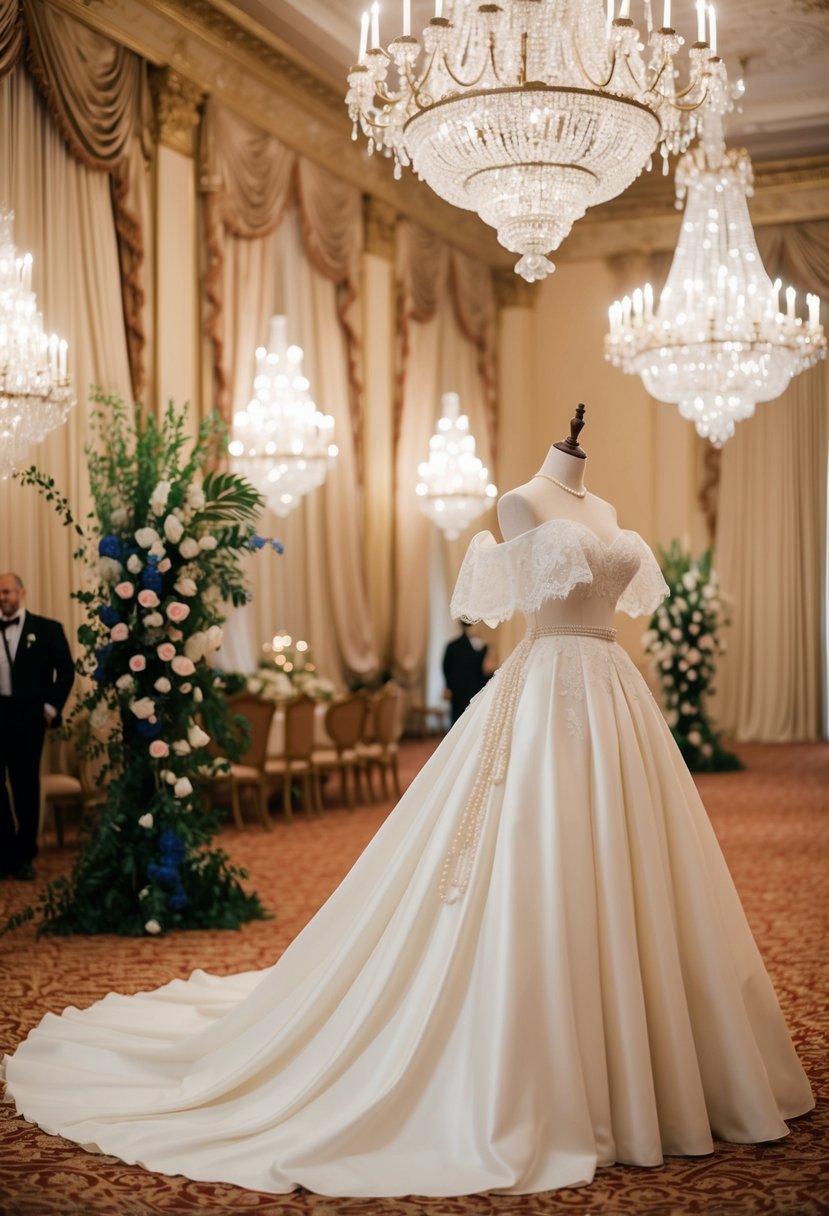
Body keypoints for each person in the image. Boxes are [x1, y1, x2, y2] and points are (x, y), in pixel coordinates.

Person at [1, 410, 813, 1197]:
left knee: (630, 859)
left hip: (614, 697)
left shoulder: (598, 507)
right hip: (546, 695)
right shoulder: (520, 501)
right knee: (537, 853)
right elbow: (507, 604)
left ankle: (654, 1059)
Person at [0, 572, 75, 881]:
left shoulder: (46, 629)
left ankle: (24, 855)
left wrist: (50, 707)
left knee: (25, 786)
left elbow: (66, 671)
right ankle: (6, 850)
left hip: (28, 717)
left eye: (6, 592)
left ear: (22, 593)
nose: (2, 597)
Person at [442, 620, 492, 725]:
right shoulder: (453, 646)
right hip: (459, 690)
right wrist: (448, 687)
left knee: (471, 719)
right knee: (458, 719)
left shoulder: (482, 646)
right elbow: (446, 668)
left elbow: (482, 669)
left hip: (474, 689)